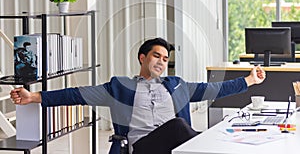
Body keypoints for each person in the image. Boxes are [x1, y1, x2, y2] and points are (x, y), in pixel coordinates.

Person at [10, 37, 266, 154]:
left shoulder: (177, 85)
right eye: (156, 55)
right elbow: (77, 94)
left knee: (210, 128)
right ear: (142, 58)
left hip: (177, 146)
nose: (161, 62)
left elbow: (215, 89)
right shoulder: (119, 87)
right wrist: (34, 97)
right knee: (179, 126)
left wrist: (249, 80)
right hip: (143, 147)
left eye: (165, 59)